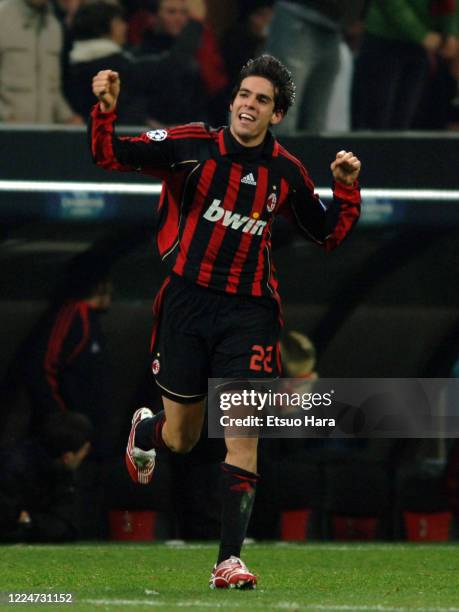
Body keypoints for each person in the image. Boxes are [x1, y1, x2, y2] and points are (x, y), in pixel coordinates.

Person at [89, 54, 362, 588]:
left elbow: (327, 235)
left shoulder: (286, 172)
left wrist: (346, 189)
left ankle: (228, 560)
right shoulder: (191, 145)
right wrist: (105, 110)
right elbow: (108, 155)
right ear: (233, 99)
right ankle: (149, 428)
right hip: (187, 304)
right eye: (244, 94)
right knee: (185, 438)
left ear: (275, 115)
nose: (248, 105)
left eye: (261, 100)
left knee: (243, 436)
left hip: (250, 313)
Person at [0, 411, 92, 542]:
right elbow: (7, 520)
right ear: (67, 457)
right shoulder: (13, 468)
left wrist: (27, 519)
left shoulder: (64, 473)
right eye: (85, 450)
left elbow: (65, 526)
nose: (84, 456)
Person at [0, 0, 81, 124]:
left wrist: (68, 117)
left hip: (42, 134)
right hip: (6, 133)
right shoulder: (2, 18)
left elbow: (53, 88)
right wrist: (5, 116)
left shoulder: (54, 26)